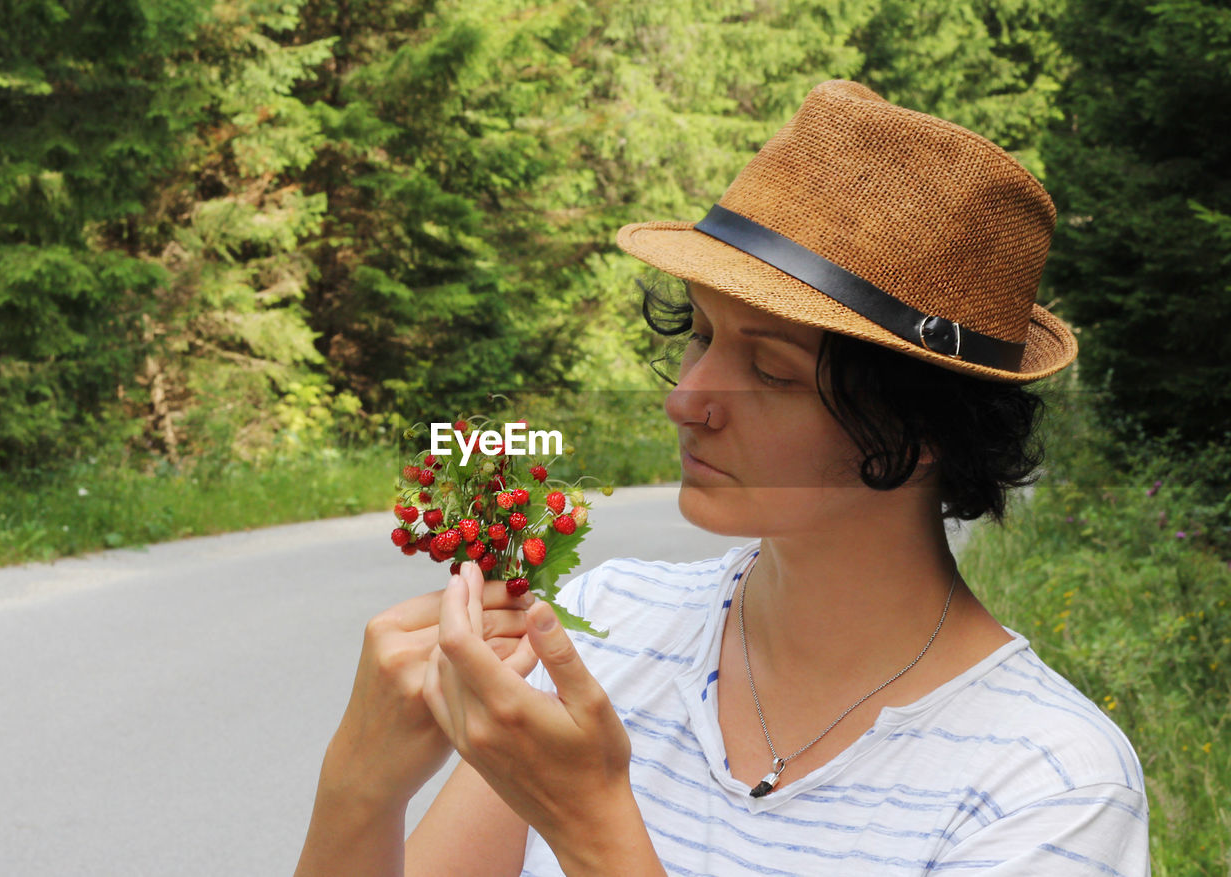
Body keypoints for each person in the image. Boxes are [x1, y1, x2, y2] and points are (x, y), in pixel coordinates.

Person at [294, 79, 1149, 876]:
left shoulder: (1051, 785)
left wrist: (597, 827)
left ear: (923, 430)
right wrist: (359, 785)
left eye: (770, 371)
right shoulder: (610, 630)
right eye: (701, 335)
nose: (688, 400)